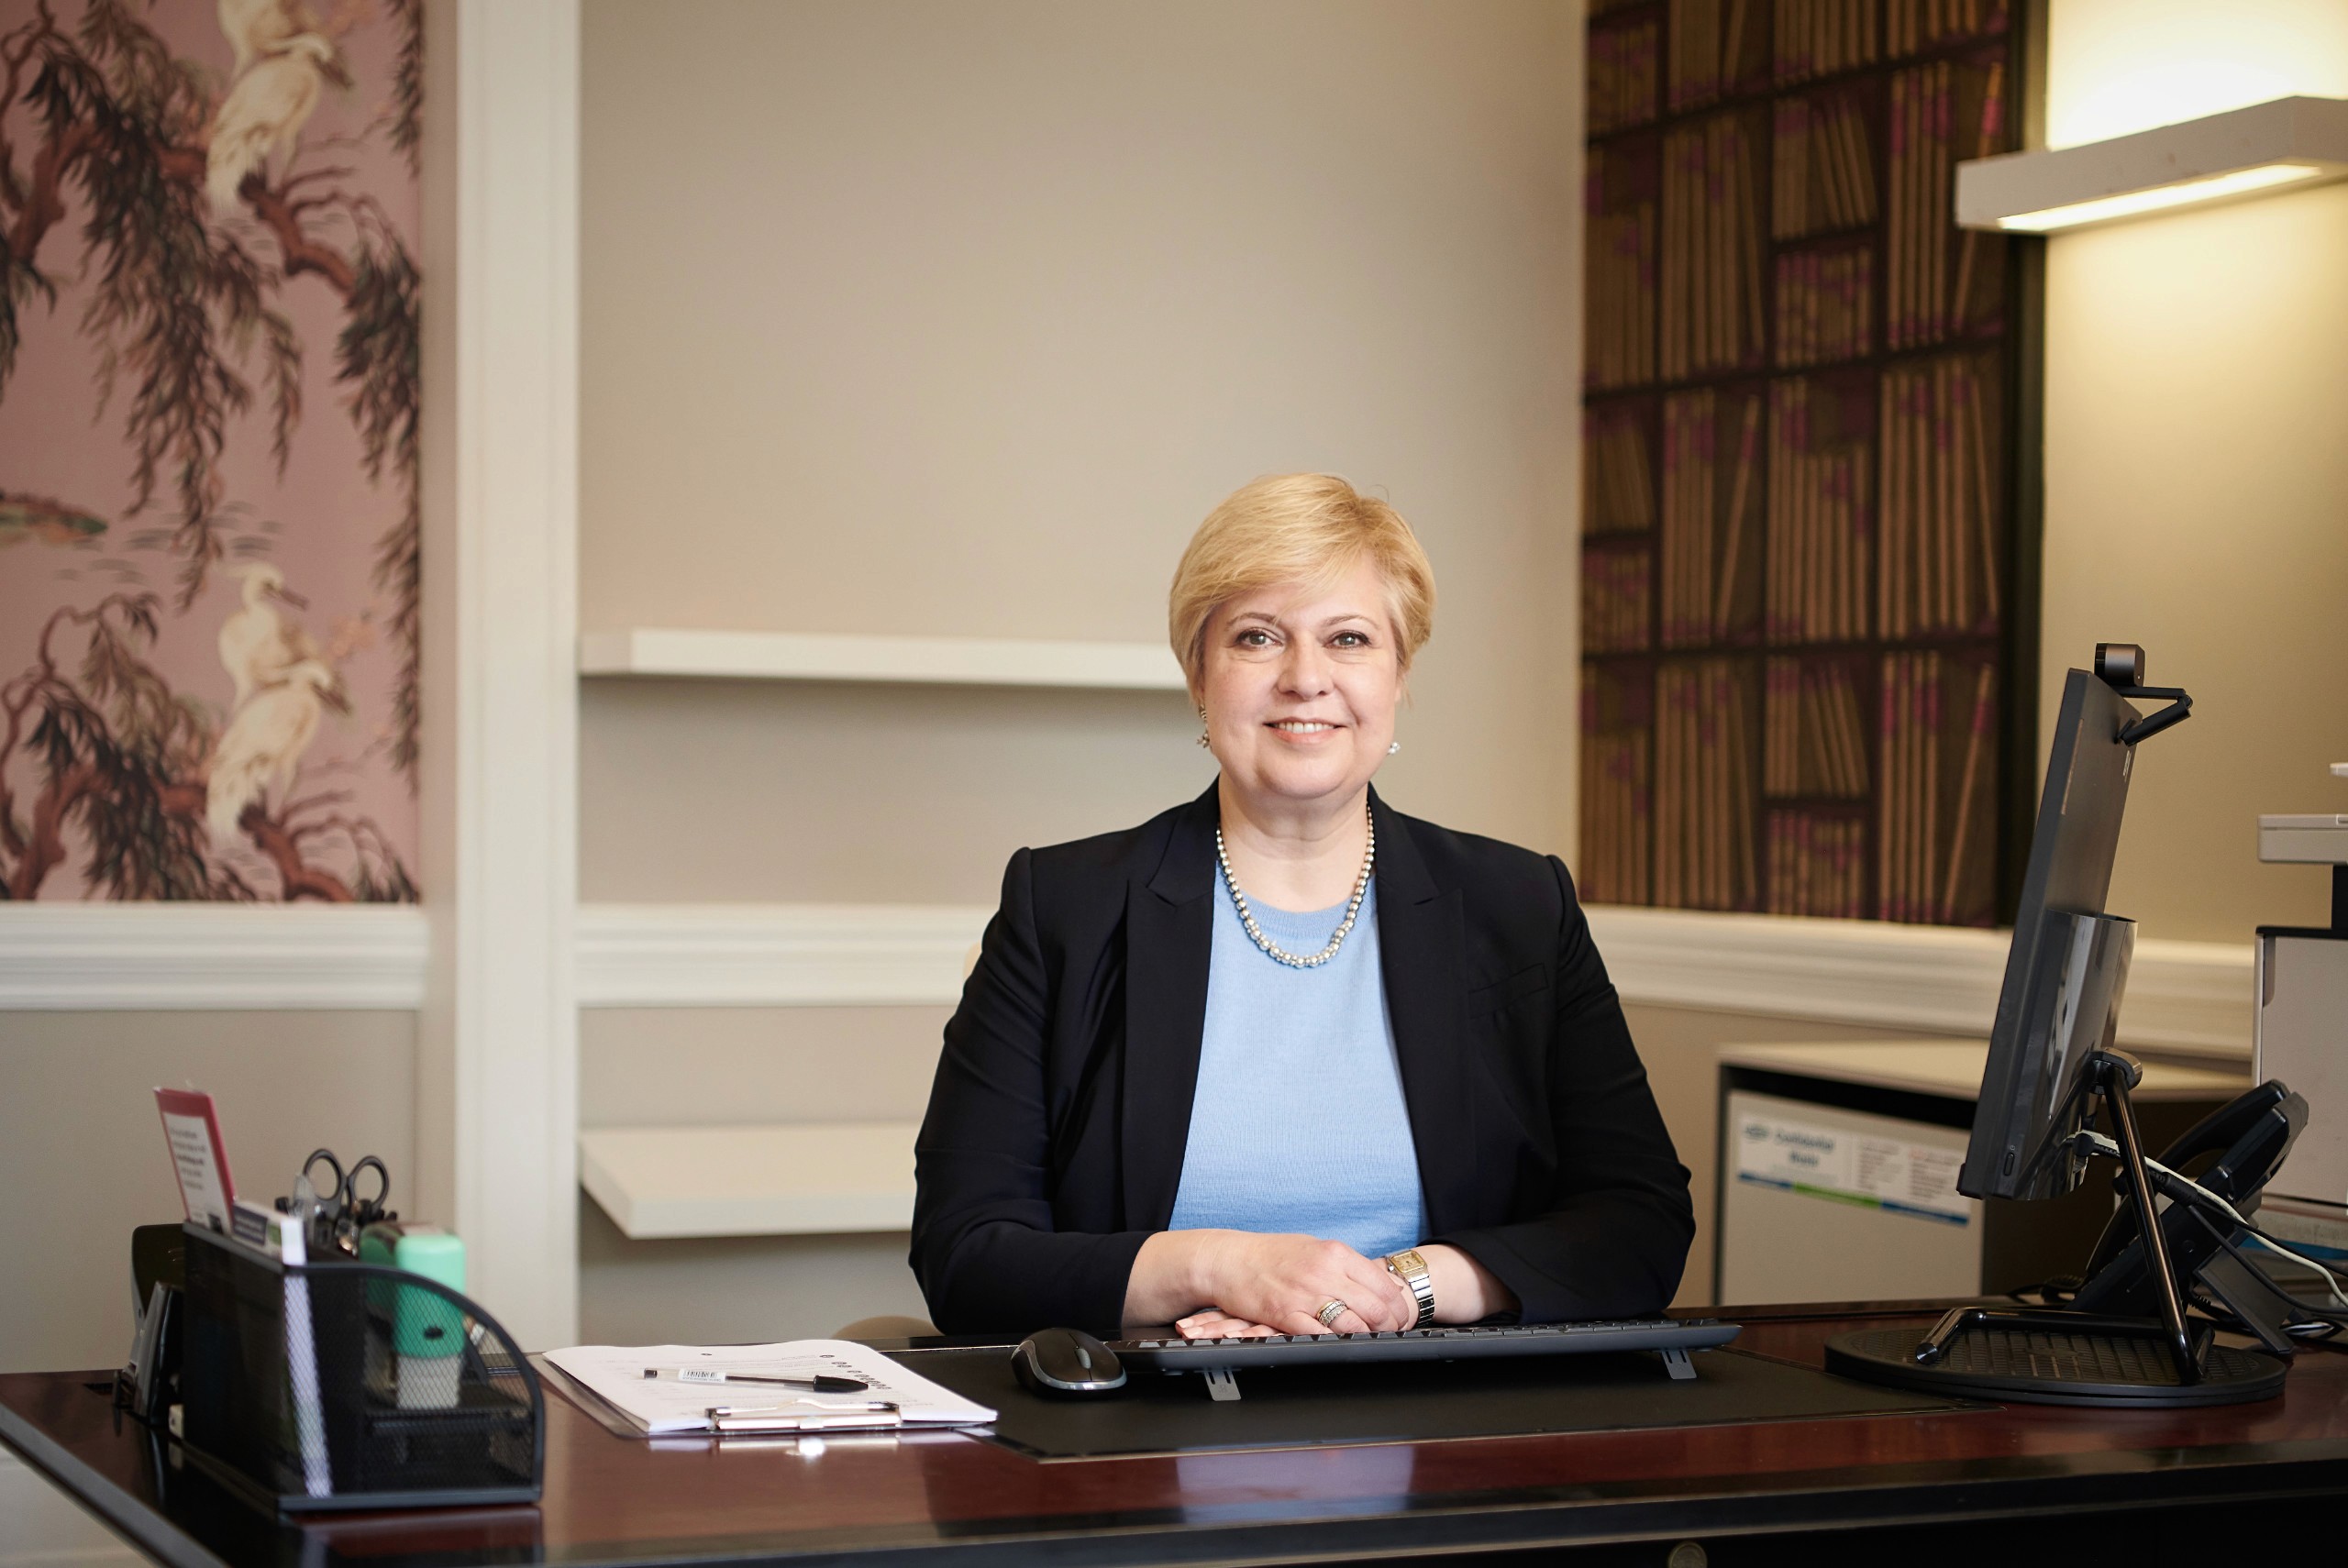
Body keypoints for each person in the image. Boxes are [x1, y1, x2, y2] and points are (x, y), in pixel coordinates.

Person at [910, 474, 1693, 1339]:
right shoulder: (1064, 908)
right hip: (1141, 1432)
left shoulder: (1520, 906)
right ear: (1199, 678)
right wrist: (1224, 1270)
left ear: (1399, 677)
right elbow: (965, 1251)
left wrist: (1398, 1291)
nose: (1305, 678)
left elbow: (1640, 1221)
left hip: (1452, 1431)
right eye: (1257, 638)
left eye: (1349, 638)